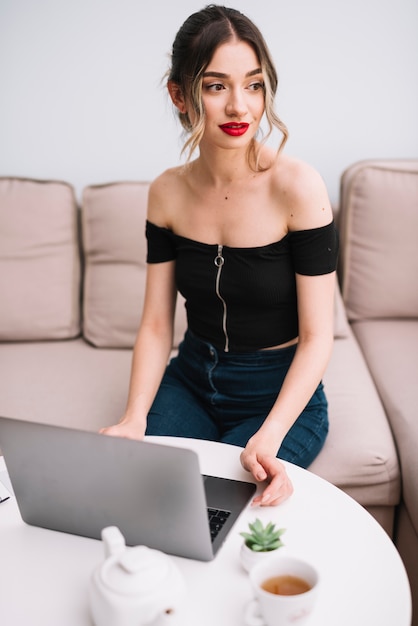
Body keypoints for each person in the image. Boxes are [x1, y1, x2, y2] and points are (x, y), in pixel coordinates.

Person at [100, 5, 338, 507]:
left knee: (208, 506)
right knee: (134, 492)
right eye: (215, 86)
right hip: (191, 377)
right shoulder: (166, 192)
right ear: (181, 95)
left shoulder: (298, 187)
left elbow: (319, 336)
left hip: (275, 392)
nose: (239, 107)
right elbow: (156, 326)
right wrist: (133, 417)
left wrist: (272, 434)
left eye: (253, 85)